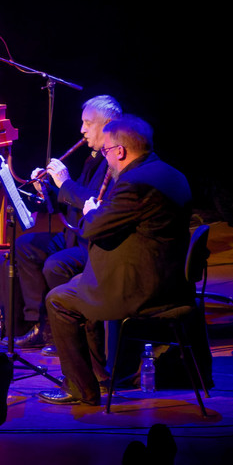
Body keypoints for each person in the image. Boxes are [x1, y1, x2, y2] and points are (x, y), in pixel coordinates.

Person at [39, 115, 192, 406]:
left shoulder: (133, 183)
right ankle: (97, 374)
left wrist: (91, 209)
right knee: (75, 281)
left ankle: (81, 389)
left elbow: (93, 228)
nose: (105, 158)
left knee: (58, 299)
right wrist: (99, 211)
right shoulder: (171, 174)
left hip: (141, 290)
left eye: (106, 150)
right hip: (173, 284)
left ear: (119, 151)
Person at [14, 95, 122, 347]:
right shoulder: (93, 156)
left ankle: (72, 330)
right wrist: (48, 190)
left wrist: (65, 182)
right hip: (74, 233)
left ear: (108, 125)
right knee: (26, 245)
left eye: (88, 123)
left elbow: (96, 203)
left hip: (93, 242)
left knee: (55, 264)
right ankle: (40, 324)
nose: (82, 129)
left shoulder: (114, 161)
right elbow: (73, 201)